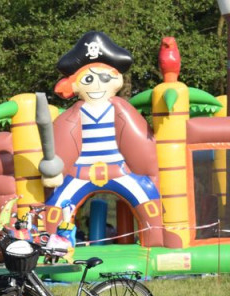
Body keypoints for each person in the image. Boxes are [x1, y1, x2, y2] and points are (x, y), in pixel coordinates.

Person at [40, 31, 162, 237]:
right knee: (55, 206)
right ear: (74, 85)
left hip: (120, 169)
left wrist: (146, 167)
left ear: (116, 80)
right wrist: (54, 170)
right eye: (88, 79)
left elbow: (138, 138)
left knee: (148, 198)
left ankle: (157, 240)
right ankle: (54, 245)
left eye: (104, 78)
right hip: (80, 172)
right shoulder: (74, 114)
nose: (96, 84)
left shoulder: (120, 109)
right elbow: (60, 142)